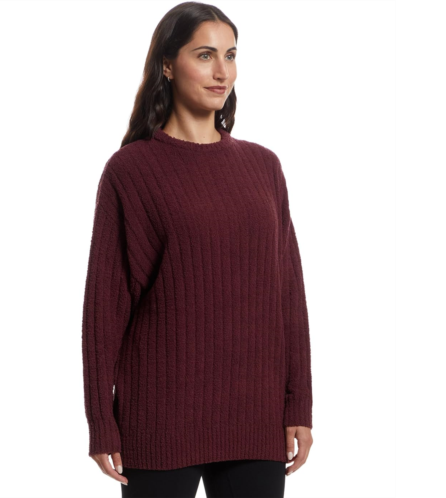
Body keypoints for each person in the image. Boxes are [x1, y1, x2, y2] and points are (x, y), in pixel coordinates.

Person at [81, 2, 314, 497]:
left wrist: (299, 403)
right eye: (205, 55)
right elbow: (105, 309)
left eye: (230, 55)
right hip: (160, 418)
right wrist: (101, 420)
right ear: (167, 64)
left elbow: (288, 294)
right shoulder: (131, 171)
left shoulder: (263, 167)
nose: (222, 71)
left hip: (255, 416)